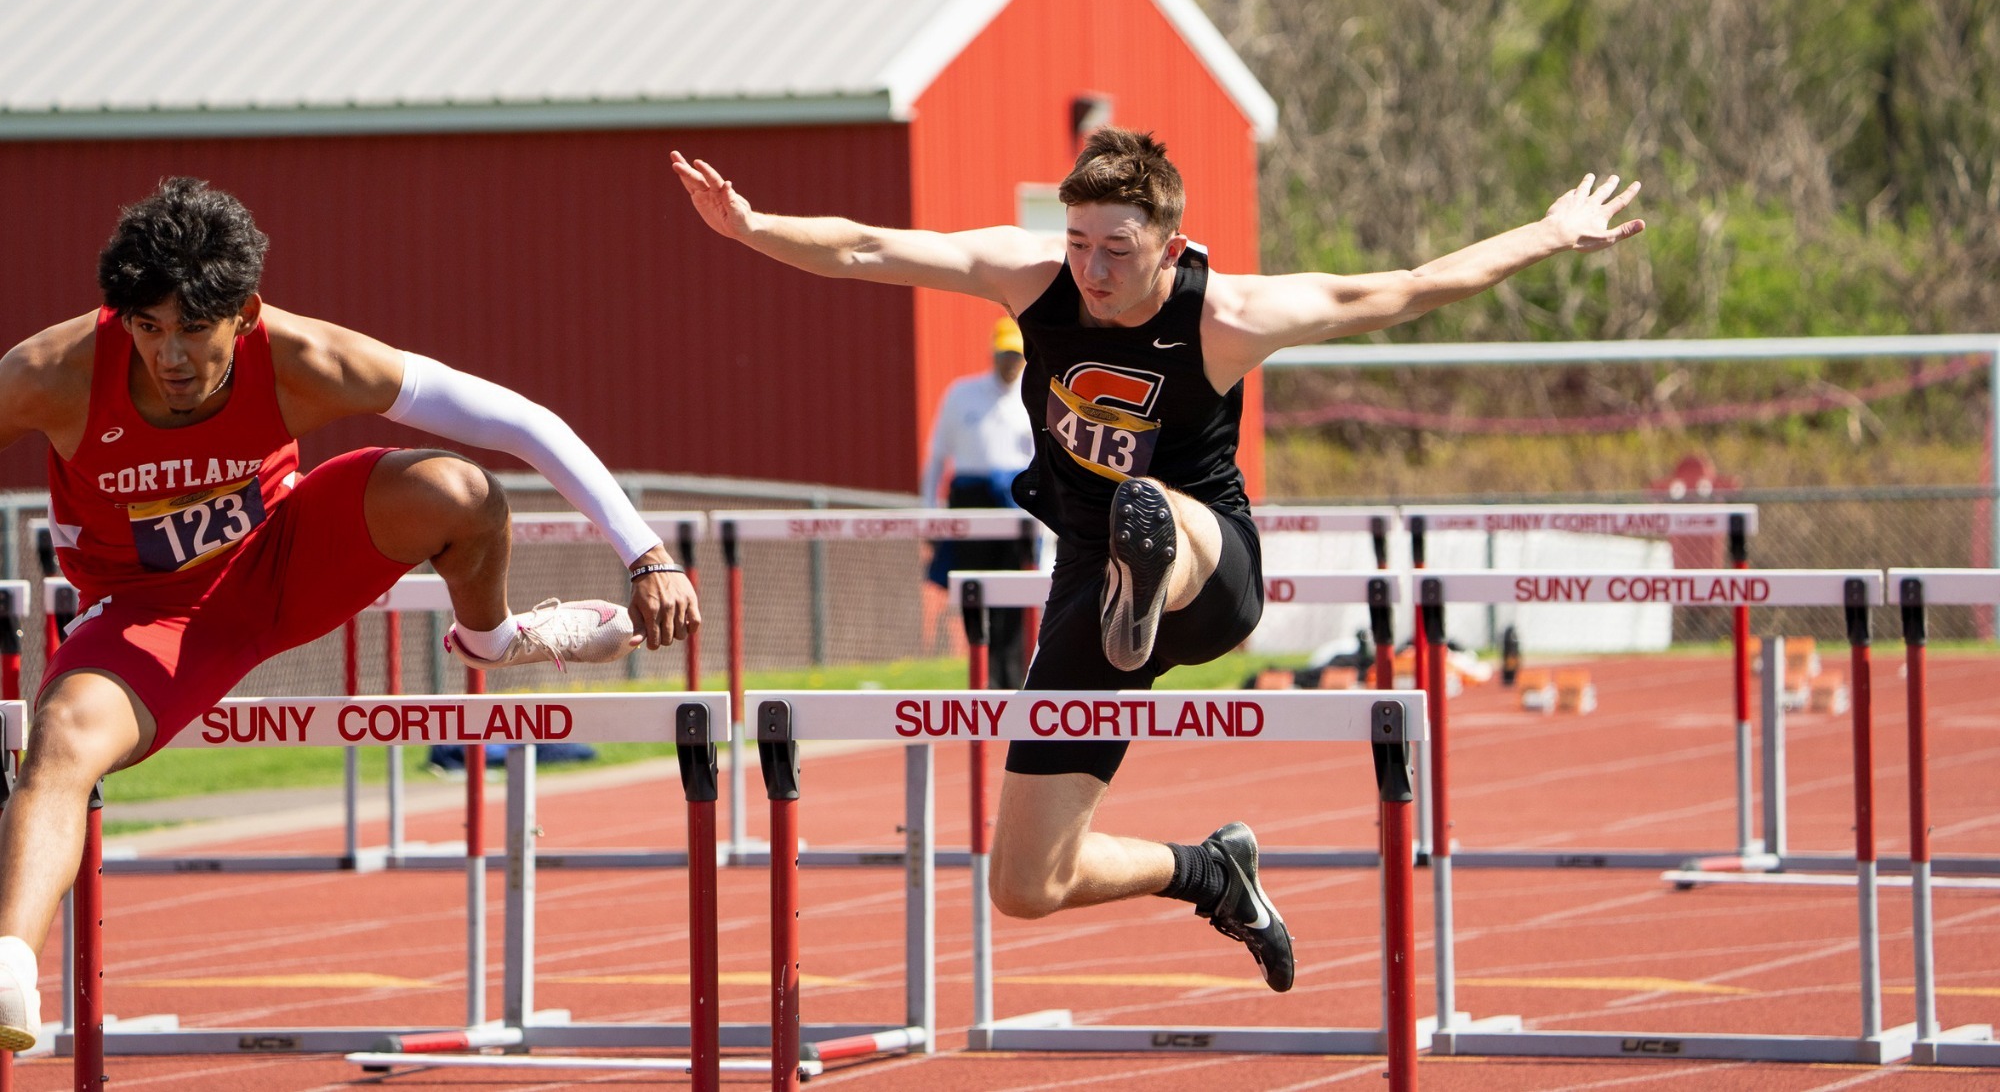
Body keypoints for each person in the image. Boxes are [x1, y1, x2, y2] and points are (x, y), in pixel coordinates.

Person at [674, 129, 1641, 993]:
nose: (1092, 269)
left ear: (1168, 247)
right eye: (1079, 242)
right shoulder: (1032, 279)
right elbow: (866, 246)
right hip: (1091, 580)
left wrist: (1553, 231)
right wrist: (752, 226)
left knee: (1150, 511)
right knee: (1025, 882)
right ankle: (1210, 871)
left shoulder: (1226, 315)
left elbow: (1406, 289)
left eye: (1118, 250)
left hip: (1210, 570)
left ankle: (1146, 576)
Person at [0, 178, 699, 1048]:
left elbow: (519, 420)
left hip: (285, 559)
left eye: (192, 330)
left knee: (458, 488)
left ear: (245, 315)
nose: (168, 357)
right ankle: (10, 974)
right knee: (61, 740)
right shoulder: (50, 374)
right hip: (146, 618)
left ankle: (493, 636)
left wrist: (646, 552)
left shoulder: (305, 357)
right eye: (147, 329)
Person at [919, 316, 1037, 688]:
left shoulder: (1034, 395)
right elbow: (937, 455)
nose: (1009, 363)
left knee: (1016, 596)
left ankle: (1013, 679)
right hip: (970, 502)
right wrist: (929, 515)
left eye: (1015, 356)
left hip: (1016, 503)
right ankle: (982, 677)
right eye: (1004, 355)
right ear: (993, 354)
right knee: (974, 592)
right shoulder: (961, 393)